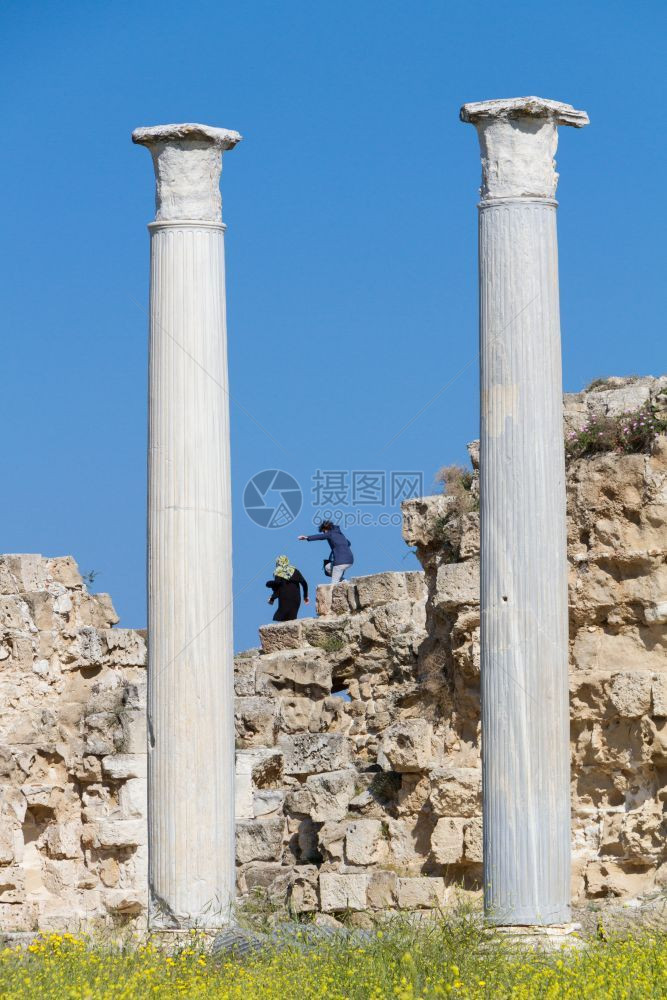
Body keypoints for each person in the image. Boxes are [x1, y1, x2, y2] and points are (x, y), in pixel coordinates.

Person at [266, 555, 309, 622]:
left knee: (281, 617)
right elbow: (304, 583)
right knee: (292, 618)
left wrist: (268, 584)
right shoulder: (295, 570)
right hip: (296, 599)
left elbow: (278, 586)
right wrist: (305, 596)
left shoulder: (279, 572)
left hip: (285, 599)